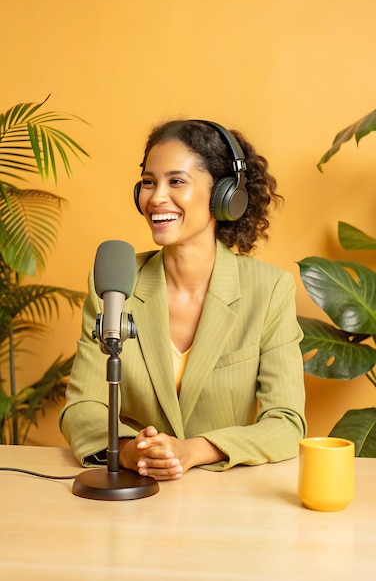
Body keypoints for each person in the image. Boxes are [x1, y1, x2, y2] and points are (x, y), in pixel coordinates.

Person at [59, 119, 306, 481]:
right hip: (134, 493)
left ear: (224, 196)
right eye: (148, 182)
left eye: (176, 181)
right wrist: (129, 450)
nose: (156, 197)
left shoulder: (269, 291)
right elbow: (83, 407)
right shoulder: (115, 285)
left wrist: (192, 451)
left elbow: (286, 422)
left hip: (228, 498)